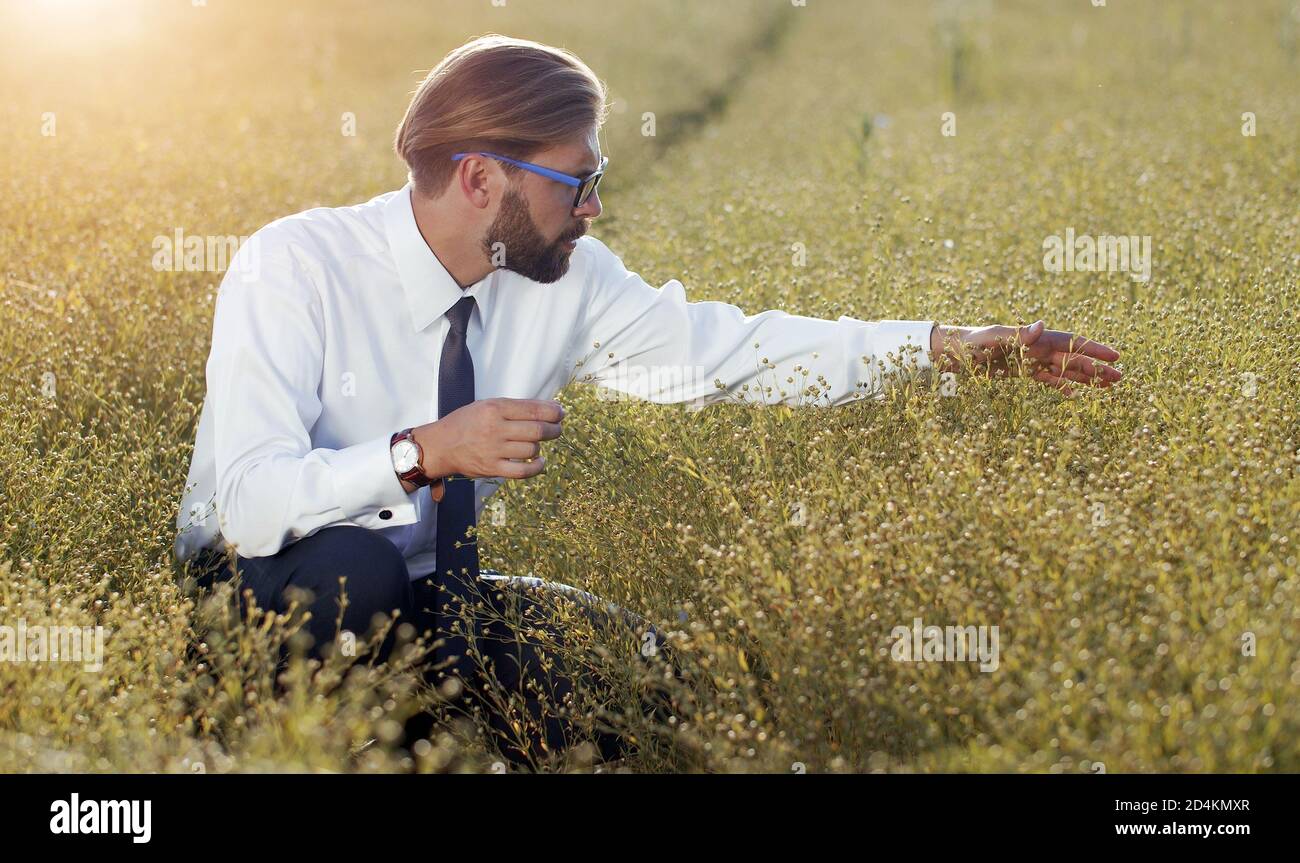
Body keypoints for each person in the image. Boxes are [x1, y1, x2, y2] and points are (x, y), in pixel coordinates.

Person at [174, 34, 1122, 769]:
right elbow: (252, 506)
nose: (594, 209)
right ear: (480, 178)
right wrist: (425, 449)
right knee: (353, 572)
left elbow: (732, 353)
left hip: (434, 599)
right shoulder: (292, 266)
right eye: (579, 182)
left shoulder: (568, 282)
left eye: (601, 182)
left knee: (643, 677)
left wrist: (949, 350)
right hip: (260, 593)